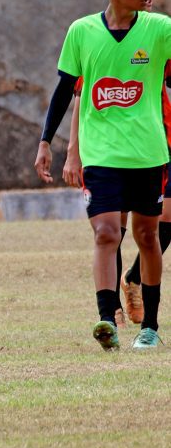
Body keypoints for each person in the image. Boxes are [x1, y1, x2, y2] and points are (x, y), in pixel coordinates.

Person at [34, 0, 171, 351]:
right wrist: (47, 142)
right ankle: (105, 318)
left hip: (148, 153)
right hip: (101, 155)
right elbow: (64, 92)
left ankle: (150, 326)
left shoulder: (161, 29)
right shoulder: (81, 32)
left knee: (148, 236)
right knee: (106, 233)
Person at [64, 63, 171, 327]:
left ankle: (133, 278)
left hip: (157, 143)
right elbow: (79, 98)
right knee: (114, 226)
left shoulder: (155, 36)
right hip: (112, 149)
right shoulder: (97, 44)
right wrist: (73, 151)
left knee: (164, 219)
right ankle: (112, 309)